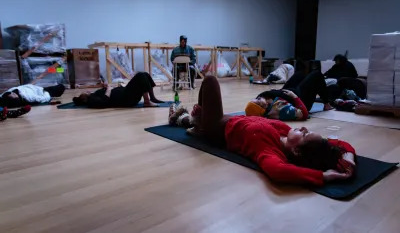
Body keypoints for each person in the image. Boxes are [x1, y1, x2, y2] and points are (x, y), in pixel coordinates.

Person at [187, 76, 356, 186]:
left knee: (210, 80)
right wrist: (349, 159)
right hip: (231, 119)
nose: (304, 128)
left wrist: (324, 176)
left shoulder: (270, 152)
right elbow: (339, 144)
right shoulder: (286, 130)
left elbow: (279, 171)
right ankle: (200, 119)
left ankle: (202, 125)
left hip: (217, 128)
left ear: (296, 150)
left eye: (304, 134)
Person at [246, 70, 333, 121]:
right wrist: (295, 97)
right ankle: (327, 104)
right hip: (299, 99)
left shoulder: (265, 102)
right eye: (258, 100)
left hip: (287, 93)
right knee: (317, 75)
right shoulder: (278, 109)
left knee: (299, 74)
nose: (259, 98)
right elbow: (304, 114)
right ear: (262, 107)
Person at [73, 72, 165, 108]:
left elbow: (105, 95)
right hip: (126, 99)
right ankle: (147, 101)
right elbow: (103, 102)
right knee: (140, 75)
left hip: (126, 94)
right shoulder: (91, 100)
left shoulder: (95, 95)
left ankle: (152, 98)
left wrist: (105, 88)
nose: (87, 91)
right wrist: (108, 89)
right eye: (85, 92)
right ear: (84, 98)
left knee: (145, 74)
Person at [0, 84, 65, 108]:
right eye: (12, 95)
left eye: (10, 93)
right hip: (41, 91)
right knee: (61, 87)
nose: (12, 93)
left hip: (34, 88)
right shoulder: (29, 97)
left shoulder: (5, 95)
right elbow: (43, 98)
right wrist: (46, 92)